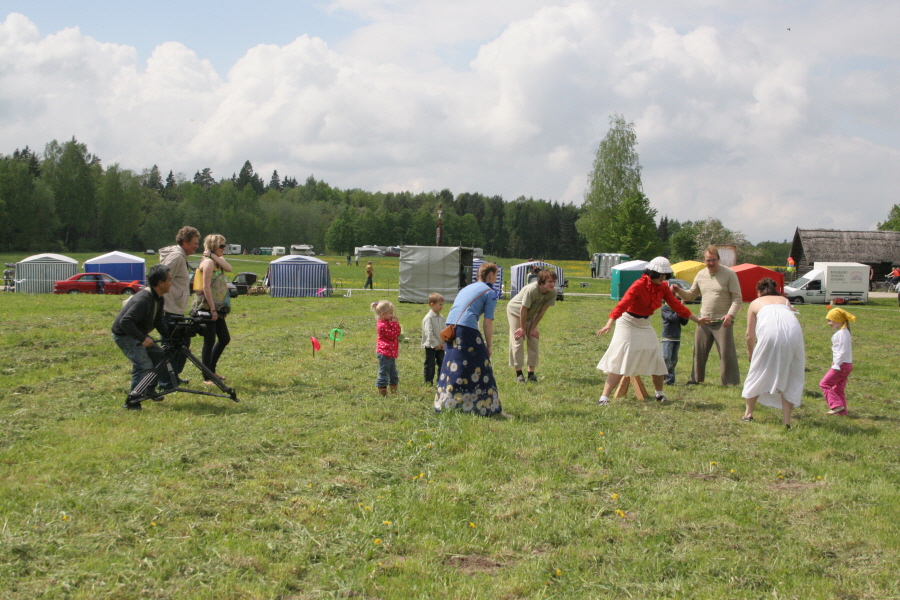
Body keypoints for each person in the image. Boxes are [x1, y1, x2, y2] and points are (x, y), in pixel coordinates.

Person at [596, 257, 709, 406]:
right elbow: (623, 304)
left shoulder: (663, 287)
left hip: (644, 323)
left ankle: (659, 394)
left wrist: (697, 319)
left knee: (657, 356)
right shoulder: (638, 285)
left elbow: (676, 306)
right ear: (651, 272)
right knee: (623, 356)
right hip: (627, 322)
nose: (662, 278)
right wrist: (609, 323)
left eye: (665, 275)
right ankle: (604, 398)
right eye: (660, 274)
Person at [434, 262, 503, 416]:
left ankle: (447, 404)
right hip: (466, 330)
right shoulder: (490, 292)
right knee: (481, 367)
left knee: (453, 367)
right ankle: (485, 407)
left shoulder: (466, 288)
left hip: (450, 329)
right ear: (491, 275)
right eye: (496, 275)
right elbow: (488, 321)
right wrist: (489, 346)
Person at [671, 246, 743, 386]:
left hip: (723, 321)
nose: (711, 263)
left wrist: (730, 315)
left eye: (713, 260)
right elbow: (691, 295)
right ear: (704, 261)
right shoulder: (701, 274)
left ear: (718, 259)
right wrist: (679, 291)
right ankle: (695, 379)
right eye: (708, 260)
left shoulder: (729, 274)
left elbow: (737, 298)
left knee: (726, 354)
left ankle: (730, 382)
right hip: (704, 320)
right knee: (699, 352)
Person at [741, 278, 805, 429]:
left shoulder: (755, 303)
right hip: (794, 334)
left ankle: (748, 414)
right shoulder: (784, 300)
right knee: (790, 373)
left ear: (759, 292)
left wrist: (751, 353)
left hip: (771, 334)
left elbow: (750, 335)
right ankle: (786, 421)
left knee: (757, 371)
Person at [111, 264, 173, 410]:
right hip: (125, 335)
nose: (172, 283)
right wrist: (142, 338)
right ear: (160, 283)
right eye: (170, 280)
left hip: (137, 333)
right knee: (144, 365)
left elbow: (158, 321)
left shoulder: (159, 298)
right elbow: (125, 322)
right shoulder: (144, 299)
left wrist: (170, 337)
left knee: (160, 356)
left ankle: (149, 390)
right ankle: (133, 402)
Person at [159, 226, 200, 384]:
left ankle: (172, 376)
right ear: (184, 242)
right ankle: (164, 381)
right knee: (170, 346)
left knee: (180, 345)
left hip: (175, 308)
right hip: (169, 309)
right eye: (194, 243)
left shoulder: (181, 256)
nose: (196, 246)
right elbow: (161, 278)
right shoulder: (176, 257)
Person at [191, 234, 233, 384]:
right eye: (221, 246)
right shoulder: (208, 263)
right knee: (209, 341)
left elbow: (229, 267)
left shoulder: (216, 261)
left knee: (224, 338)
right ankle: (206, 377)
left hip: (217, 307)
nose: (224, 249)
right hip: (206, 307)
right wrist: (213, 310)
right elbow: (206, 287)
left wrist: (214, 256)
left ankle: (211, 370)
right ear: (212, 246)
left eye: (224, 245)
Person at [507, 268, 557, 383]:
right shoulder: (532, 290)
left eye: (554, 281)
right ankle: (519, 373)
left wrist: (533, 328)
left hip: (531, 313)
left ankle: (531, 374)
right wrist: (523, 328)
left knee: (533, 338)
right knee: (518, 338)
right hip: (516, 311)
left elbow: (542, 311)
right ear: (542, 281)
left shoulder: (552, 292)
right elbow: (523, 310)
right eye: (550, 281)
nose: (553, 284)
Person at [820, 307, 855, 416]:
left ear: (838, 320)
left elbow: (842, 351)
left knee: (824, 384)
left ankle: (836, 405)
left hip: (841, 366)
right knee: (838, 389)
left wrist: (836, 365)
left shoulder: (841, 334)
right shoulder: (845, 332)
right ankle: (842, 412)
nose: (829, 323)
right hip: (846, 365)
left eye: (830, 320)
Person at [372, 300, 400, 396]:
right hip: (384, 353)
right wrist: (395, 324)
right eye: (390, 313)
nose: (393, 315)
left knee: (393, 373)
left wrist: (395, 324)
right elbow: (392, 335)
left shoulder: (388, 322)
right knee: (384, 373)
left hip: (391, 353)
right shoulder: (382, 325)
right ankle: (382, 392)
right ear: (383, 314)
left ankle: (394, 391)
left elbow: (398, 333)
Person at [660, 304, 689, 385]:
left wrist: (683, 311)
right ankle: (662, 377)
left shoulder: (676, 309)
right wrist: (678, 308)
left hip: (676, 337)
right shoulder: (665, 308)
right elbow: (672, 318)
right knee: (666, 358)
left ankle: (670, 380)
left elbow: (684, 322)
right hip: (667, 338)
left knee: (673, 360)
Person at [421, 293, 445, 386]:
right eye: (440, 304)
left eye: (442, 304)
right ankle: (428, 381)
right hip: (430, 346)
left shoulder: (441, 317)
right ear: (432, 304)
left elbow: (444, 331)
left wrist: (443, 343)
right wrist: (435, 344)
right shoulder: (428, 318)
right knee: (430, 365)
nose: (441, 306)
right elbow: (428, 333)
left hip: (441, 346)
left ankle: (440, 381)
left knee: (442, 364)